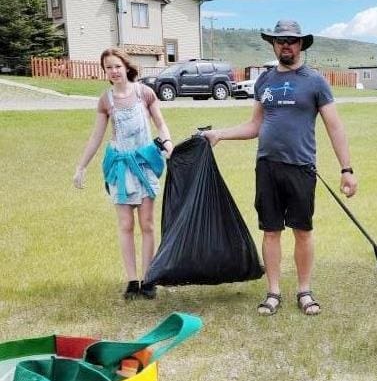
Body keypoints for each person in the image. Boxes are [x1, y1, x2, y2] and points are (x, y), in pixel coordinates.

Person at [202, 20, 358, 316]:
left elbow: (335, 126)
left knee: (302, 231)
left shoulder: (315, 82)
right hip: (267, 167)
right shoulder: (264, 82)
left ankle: (304, 291)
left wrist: (346, 169)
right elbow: (255, 126)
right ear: (273, 44)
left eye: (292, 40)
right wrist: (219, 134)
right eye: (280, 40)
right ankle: (273, 292)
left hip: (301, 167)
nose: (286, 45)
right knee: (271, 231)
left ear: (301, 45)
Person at [73, 48, 173, 300]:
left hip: (145, 164)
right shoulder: (106, 100)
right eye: (108, 67)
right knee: (126, 225)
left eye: (117, 66)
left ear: (126, 67)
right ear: (105, 71)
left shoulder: (144, 93)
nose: (114, 71)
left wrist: (168, 142)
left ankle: (149, 278)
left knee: (147, 224)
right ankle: (131, 280)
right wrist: (81, 166)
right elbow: (97, 136)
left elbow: (160, 122)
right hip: (119, 168)